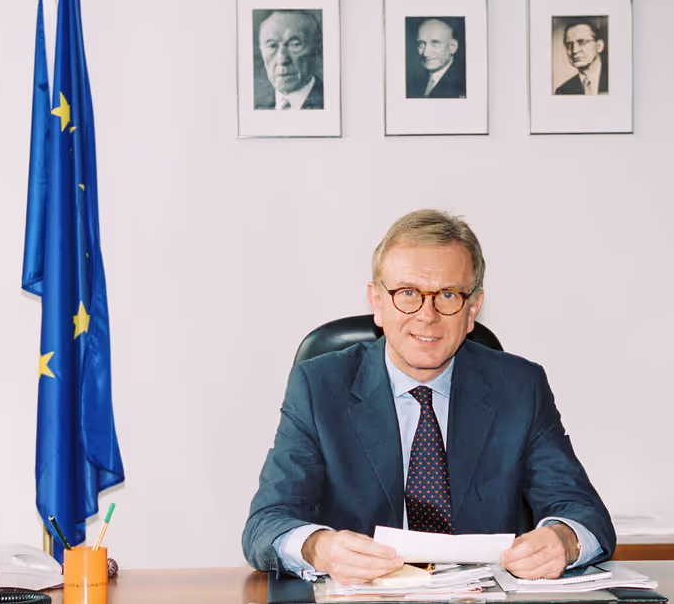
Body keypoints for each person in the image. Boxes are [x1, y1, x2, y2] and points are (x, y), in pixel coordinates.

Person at [242, 210, 615, 585]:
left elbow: (584, 513)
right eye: (408, 293)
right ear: (377, 302)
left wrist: (563, 540)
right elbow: (266, 523)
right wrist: (319, 547)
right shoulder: (319, 386)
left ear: (473, 310)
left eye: (448, 295)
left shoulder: (520, 388)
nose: (427, 315)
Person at [254, 11, 324, 110]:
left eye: (295, 44)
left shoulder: (331, 102)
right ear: (261, 50)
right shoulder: (256, 105)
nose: (282, 59)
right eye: (272, 45)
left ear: (317, 50)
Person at [406, 19, 466, 99]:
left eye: (435, 44)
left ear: (452, 47)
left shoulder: (464, 85)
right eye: (421, 44)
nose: (425, 53)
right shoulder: (413, 83)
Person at [555, 19, 608, 95]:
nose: (574, 50)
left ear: (599, 46)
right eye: (569, 45)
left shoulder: (616, 79)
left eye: (581, 42)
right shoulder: (562, 91)